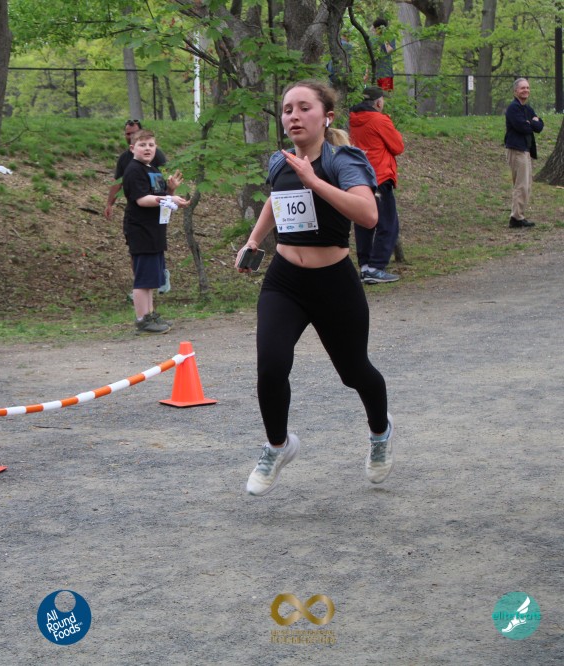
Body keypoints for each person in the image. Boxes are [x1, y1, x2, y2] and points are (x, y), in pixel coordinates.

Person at [236, 79, 394, 496]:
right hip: (285, 280)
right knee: (271, 366)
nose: (294, 116)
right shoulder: (279, 160)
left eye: (304, 108)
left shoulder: (343, 160)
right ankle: (278, 446)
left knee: (354, 372)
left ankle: (380, 432)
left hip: (333, 283)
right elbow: (276, 200)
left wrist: (313, 180)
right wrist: (254, 240)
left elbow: (368, 215)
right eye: (288, 109)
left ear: (326, 116)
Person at [122, 129, 188, 334]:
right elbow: (142, 199)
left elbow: (158, 197)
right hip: (141, 231)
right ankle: (142, 320)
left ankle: (150, 314)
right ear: (132, 148)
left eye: (151, 145)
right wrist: (169, 198)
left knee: (151, 278)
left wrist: (170, 190)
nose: (147, 148)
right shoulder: (134, 170)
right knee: (143, 278)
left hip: (155, 231)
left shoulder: (153, 169)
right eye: (142, 145)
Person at [349, 85, 404, 284]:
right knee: (388, 224)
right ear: (378, 102)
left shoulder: (353, 119)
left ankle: (365, 266)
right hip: (380, 176)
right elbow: (398, 146)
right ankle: (376, 267)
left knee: (364, 222)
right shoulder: (379, 120)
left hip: (359, 177)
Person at [105, 120, 167, 221]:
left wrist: (167, 207)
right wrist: (109, 204)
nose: (130, 136)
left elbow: (160, 187)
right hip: (136, 216)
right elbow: (117, 182)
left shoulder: (156, 156)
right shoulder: (124, 159)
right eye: (128, 134)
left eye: (134, 133)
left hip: (154, 211)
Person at [504, 78, 544, 228]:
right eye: (522, 88)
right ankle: (516, 218)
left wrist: (532, 122)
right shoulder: (513, 108)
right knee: (521, 185)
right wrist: (532, 122)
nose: (526, 90)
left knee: (526, 185)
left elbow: (539, 127)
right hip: (516, 150)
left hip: (525, 150)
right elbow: (523, 127)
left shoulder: (527, 108)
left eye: (527, 88)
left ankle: (519, 215)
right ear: (515, 91)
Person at [372, 18, 396, 92]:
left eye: (376, 29)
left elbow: (389, 50)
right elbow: (372, 57)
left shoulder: (390, 38)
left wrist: (384, 37)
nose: (375, 30)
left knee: (385, 95)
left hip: (386, 73)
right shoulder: (374, 40)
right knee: (376, 96)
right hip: (375, 73)